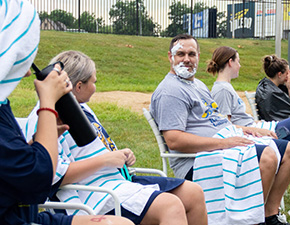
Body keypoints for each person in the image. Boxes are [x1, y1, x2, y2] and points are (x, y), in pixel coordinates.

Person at [25, 51, 208, 225]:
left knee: (193, 192)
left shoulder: (81, 108)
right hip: (94, 192)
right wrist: (106, 160)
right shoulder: (46, 118)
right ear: (78, 86)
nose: (95, 88)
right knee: (171, 206)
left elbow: (95, 149)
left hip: (118, 179)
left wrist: (119, 155)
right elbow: (53, 177)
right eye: (93, 82)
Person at [0, 0, 133, 224]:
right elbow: (38, 178)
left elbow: (14, 164)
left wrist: (38, 142)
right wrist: (47, 104)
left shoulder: (2, 104)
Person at [150, 34, 290, 225]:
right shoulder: (170, 91)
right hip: (198, 160)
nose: (186, 59)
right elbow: (174, 141)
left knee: (289, 151)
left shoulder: (198, 85)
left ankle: (269, 216)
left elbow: (219, 121)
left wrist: (246, 129)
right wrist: (224, 143)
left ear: (198, 56)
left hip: (225, 143)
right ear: (170, 57)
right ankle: (251, 221)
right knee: (268, 156)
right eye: (180, 54)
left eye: (191, 54)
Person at [209, 46, 290, 204]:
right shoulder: (221, 90)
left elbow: (238, 120)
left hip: (257, 130)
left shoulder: (226, 87)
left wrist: (255, 123)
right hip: (253, 137)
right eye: (238, 61)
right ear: (230, 62)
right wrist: (255, 128)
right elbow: (225, 128)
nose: (240, 65)